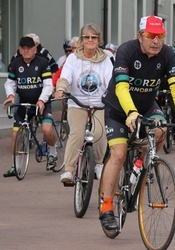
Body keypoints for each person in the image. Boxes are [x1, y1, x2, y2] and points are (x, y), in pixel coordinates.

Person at [99, 15, 175, 230]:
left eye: (160, 36)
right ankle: (107, 207)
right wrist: (130, 112)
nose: (156, 41)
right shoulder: (126, 51)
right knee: (119, 154)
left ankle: (141, 164)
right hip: (119, 109)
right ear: (140, 36)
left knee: (160, 131)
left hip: (147, 106)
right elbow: (121, 86)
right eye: (150, 36)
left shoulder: (168, 54)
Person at [54, 23, 113, 183]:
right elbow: (65, 77)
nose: (90, 40)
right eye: (86, 37)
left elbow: (110, 81)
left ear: (98, 40)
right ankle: (69, 170)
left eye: (94, 37)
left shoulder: (105, 59)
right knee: (77, 134)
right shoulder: (73, 58)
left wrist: (111, 96)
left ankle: (99, 164)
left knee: (100, 132)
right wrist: (61, 89)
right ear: (81, 40)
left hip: (99, 104)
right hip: (77, 103)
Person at [2, 36, 57, 177]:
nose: (26, 51)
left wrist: (42, 101)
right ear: (20, 50)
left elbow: (48, 85)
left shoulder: (43, 62)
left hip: (42, 103)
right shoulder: (16, 63)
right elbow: (10, 83)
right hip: (24, 104)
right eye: (23, 48)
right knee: (15, 136)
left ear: (34, 49)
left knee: (47, 130)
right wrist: (10, 96)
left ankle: (52, 152)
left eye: (29, 48)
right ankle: (16, 167)